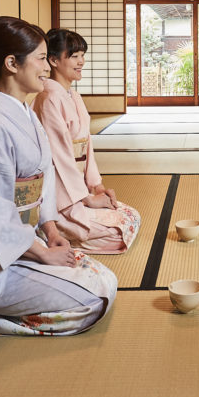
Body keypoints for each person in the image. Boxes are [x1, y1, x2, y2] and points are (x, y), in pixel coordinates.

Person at [0, 17, 117, 336]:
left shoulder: (24, 114)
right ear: (11, 63)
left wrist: (50, 230)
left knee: (105, 280)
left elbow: (44, 183)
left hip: (28, 241)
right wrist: (44, 254)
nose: (46, 68)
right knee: (94, 299)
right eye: (39, 58)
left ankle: (24, 289)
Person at [33, 29, 140, 253]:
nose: (81, 61)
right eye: (74, 56)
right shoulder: (49, 98)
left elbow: (86, 147)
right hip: (63, 194)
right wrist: (86, 199)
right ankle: (52, 229)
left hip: (80, 186)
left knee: (131, 216)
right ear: (53, 60)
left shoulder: (73, 95)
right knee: (115, 235)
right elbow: (59, 159)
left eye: (82, 55)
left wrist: (97, 187)